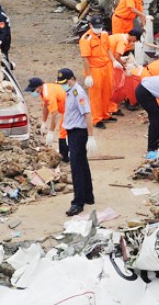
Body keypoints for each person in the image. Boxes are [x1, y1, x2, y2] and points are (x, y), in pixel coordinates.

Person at [57, 68, 97, 216]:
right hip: (73, 132)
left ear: (71, 80)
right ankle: (88, 196)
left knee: (77, 168)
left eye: (65, 83)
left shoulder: (78, 93)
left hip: (78, 133)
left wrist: (91, 136)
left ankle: (78, 202)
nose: (63, 85)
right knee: (82, 165)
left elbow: (87, 115)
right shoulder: (70, 91)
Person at [79, 15, 115, 128]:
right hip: (94, 69)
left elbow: (108, 48)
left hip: (106, 66)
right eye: (96, 27)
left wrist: (113, 61)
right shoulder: (86, 39)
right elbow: (85, 57)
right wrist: (88, 75)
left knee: (107, 91)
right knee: (95, 95)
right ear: (90, 25)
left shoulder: (104, 34)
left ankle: (105, 114)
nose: (98, 29)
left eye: (100, 26)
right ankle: (96, 119)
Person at [25, 77, 69, 162]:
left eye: (33, 90)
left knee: (63, 130)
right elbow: (46, 106)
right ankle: (64, 153)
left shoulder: (48, 94)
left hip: (70, 109)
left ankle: (64, 156)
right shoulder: (44, 90)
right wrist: (44, 122)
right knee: (64, 129)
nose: (32, 93)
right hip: (65, 107)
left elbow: (55, 114)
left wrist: (51, 132)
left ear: (39, 87)